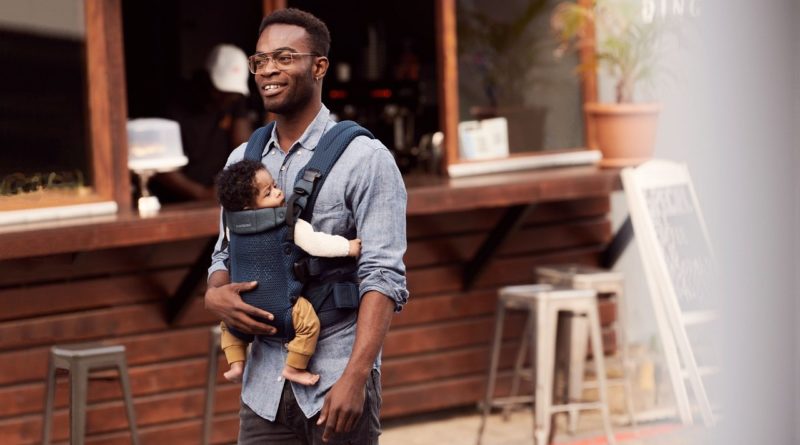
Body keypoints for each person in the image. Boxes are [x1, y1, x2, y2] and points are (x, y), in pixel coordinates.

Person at [204, 8, 408, 445]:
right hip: (263, 387)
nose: (269, 70)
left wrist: (356, 378)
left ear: (319, 67)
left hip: (336, 378)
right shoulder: (243, 159)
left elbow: (383, 276)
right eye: (260, 61)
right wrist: (215, 291)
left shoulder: (366, 159)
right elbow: (224, 250)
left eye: (284, 57)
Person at [214, 159, 362, 386]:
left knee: (229, 326)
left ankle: (236, 364)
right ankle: (294, 367)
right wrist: (349, 247)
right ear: (247, 206)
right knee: (308, 325)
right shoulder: (289, 222)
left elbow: (224, 255)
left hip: (243, 304)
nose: (278, 192)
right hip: (283, 305)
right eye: (268, 192)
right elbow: (316, 244)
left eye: (274, 185)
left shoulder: (231, 227)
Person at [151, 44, 254, 203]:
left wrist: (237, 181)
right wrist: (202, 193)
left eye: (232, 95)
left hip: (221, 193)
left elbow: (243, 146)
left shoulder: (234, 100)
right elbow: (159, 163)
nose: (227, 98)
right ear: (205, 77)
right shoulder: (172, 103)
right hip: (178, 199)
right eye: (221, 92)